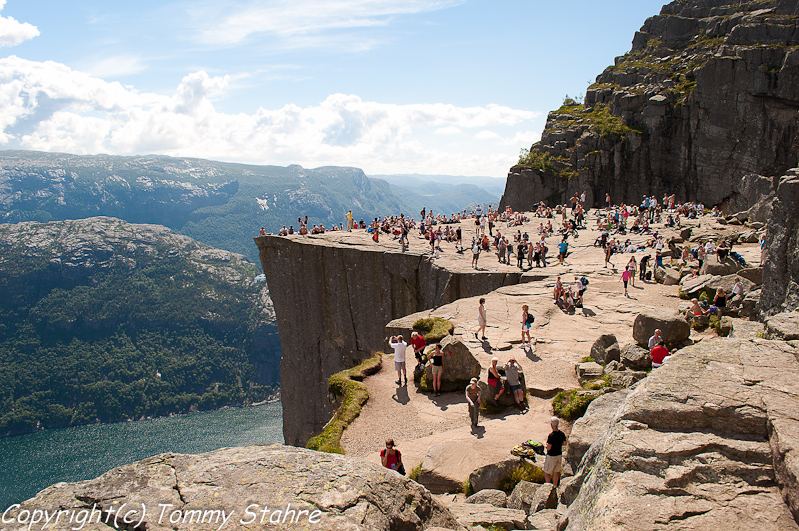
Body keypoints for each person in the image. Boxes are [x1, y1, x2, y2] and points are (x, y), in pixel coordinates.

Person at [544, 417, 566, 487]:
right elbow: (565, 443)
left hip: (551, 456)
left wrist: (545, 444)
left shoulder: (551, 436)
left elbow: (549, 448)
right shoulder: (562, 434)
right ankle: (555, 486)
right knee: (556, 472)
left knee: (546, 472)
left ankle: (548, 487)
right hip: (559, 455)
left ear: (551, 425)